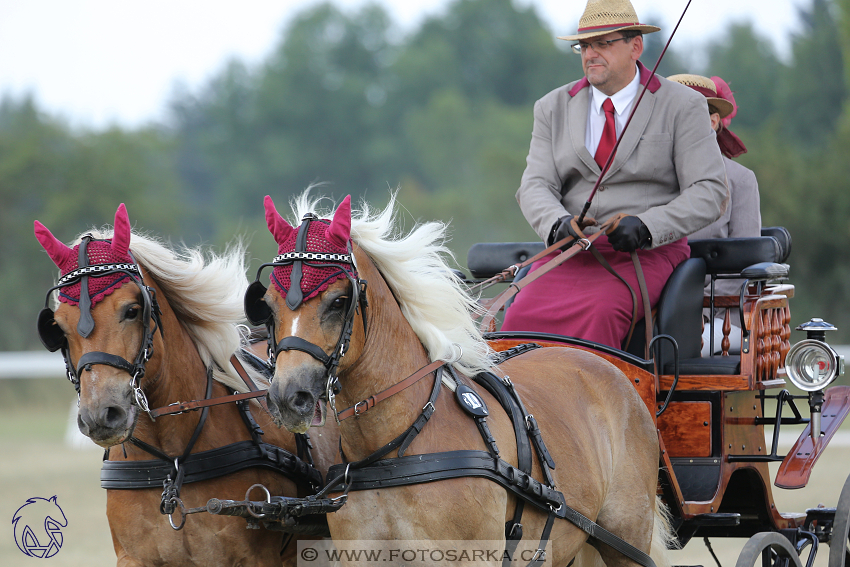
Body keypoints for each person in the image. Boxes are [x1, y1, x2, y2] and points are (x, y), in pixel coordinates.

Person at [501, 0, 729, 350]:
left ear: (635, 46)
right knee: (518, 318)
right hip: (572, 250)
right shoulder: (551, 107)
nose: (590, 53)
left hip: (647, 253)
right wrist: (556, 223)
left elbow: (710, 190)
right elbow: (535, 184)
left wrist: (647, 226)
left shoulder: (682, 105)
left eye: (603, 43)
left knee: (601, 313)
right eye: (584, 45)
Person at [668, 74, 761, 356]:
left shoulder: (740, 181)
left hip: (715, 318)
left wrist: (696, 312)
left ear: (713, 121)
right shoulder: (643, 180)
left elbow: (744, 268)